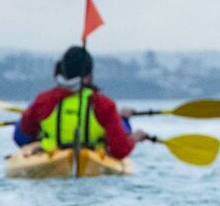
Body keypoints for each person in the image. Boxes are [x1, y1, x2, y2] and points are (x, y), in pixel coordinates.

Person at [13, 46, 143, 161]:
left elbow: (24, 133)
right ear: (88, 76)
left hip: (51, 158)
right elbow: (120, 150)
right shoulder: (104, 105)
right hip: (93, 161)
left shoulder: (44, 100)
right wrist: (134, 137)